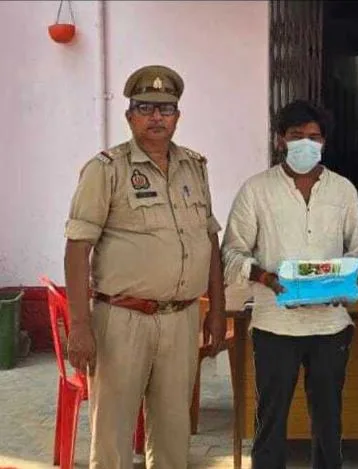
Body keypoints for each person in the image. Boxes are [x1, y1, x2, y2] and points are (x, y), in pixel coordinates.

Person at [63, 64, 227, 469]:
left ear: (177, 116)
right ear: (129, 115)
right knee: (113, 433)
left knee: (173, 431)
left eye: (166, 109)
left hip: (182, 319)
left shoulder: (194, 167)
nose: (157, 117)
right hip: (122, 319)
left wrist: (217, 311)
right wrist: (80, 325)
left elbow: (209, 240)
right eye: (146, 107)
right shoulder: (106, 169)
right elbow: (78, 248)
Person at [221, 100, 358, 469]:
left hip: (330, 325)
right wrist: (265, 277)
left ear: (325, 142)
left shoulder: (343, 190)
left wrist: (346, 280)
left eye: (314, 137)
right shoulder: (256, 190)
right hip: (275, 324)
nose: (306, 143)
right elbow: (231, 253)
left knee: (328, 422)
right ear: (280, 140)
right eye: (296, 135)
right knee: (271, 420)